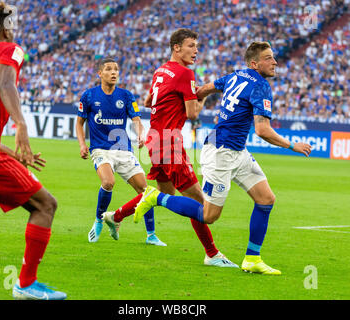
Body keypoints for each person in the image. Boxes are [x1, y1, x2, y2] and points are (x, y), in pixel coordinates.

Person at [133, 41, 312, 275]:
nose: (275, 62)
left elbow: (204, 89)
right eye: (269, 58)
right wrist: (292, 145)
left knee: (266, 198)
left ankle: (252, 258)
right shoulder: (260, 86)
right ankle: (156, 197)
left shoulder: (235, 76)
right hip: (221, 152)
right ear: (255, 63)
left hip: (236, 150)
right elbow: (262, 130)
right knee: (208, 215)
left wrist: (191, 99)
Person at [104, 28, 237, 268]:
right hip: (169, 143)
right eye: (191, 45)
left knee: (166, 195)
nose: (196, 50)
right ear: (176, 47)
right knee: (201, 204)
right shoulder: (186, 73)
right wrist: (206, 92)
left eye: (197, 45)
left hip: (155, 140)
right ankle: (212, 254)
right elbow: (193, 113)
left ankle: (116, 216)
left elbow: (147, 102)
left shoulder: (160, 70)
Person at [0, 2, 66, 299]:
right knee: (45, 206)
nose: (15, 25)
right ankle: (25, 285)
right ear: (3, 27)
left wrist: (13, 154)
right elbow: (6, 85)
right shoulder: (9, 50)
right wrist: (21, 126)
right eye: (11, 21)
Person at [76, 57, 165, 246]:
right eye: (108, 69)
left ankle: (151, 235)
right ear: (100, 73)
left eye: (116, 69)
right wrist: (82, 144)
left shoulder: (126, 95)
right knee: (108, 182)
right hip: (100, 149)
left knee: (145, 191)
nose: (114, 72)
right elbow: (79, 122)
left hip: (123, 150)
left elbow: (136, 119)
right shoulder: (89, 95)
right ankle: (99, 220)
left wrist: (141, 134)